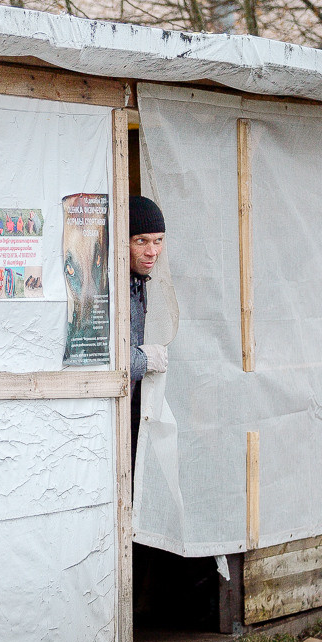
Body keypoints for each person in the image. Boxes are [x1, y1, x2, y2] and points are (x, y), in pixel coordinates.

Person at [130, 195, 168, 469]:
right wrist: (144, 360)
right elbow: (102, 357)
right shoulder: (110, 285)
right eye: (141, 240)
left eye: (158, 240)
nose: (152, 251)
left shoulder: (139, 282)